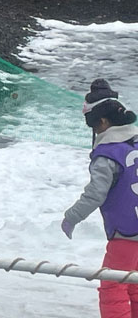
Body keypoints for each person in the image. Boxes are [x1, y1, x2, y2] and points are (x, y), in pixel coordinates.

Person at [62, 79, 138, 318]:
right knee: (134, 284)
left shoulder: (107, 156)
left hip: (125, 233)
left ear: (103, 122)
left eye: (94, 127)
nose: (94, 133)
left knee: (112, 285)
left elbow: (95, 193)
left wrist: (71, 217)